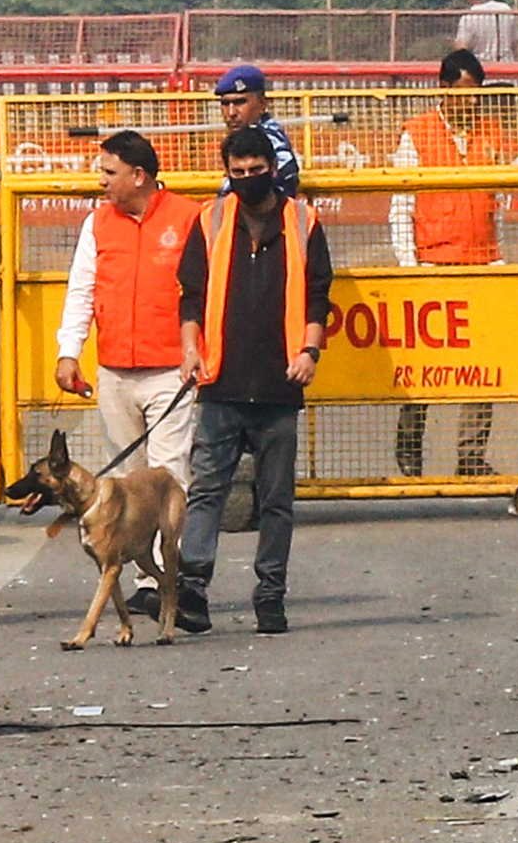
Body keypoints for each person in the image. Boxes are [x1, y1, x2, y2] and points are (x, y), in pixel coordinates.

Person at [174, 126, 333, 635]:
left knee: (276, 502)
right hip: (220, 383)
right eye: (237, 171)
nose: (246, 178)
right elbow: (191, 297)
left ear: (273, 169)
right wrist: (191, 351)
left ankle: (270, 596)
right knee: (206, 492)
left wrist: (309, 352)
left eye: (255, 170)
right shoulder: (211, 220)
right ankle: (192, 591)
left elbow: (318, 297)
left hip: (279, 384)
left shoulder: (303, 221)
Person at [54, 128, 200, 601]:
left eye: (109, 171)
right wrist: (69, 350)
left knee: (169, 474)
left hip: (171, 372)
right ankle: (145, 578)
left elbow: (206, 292)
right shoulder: (97, 224)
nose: (101, 180)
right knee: (129, 482)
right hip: (115, 371)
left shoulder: (188, 218)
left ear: (139, 176)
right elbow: (82, 291)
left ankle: (166, 580)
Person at [389, 47, 502, 478]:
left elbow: (497, 202)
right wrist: (410, 268)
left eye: (477, 94)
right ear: (444, 88)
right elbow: (401, 206)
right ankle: (409, 452)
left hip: (482, 265)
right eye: (464, 93)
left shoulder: (490, 132)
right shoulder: (417, 134)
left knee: (484, 367)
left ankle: (470, 457)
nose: (471, 102)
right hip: (432, 268)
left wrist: (498, 259)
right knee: (424, 369)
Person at [213, 64, 300, 201]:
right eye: (225, 104)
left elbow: (286, 179)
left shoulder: (269, 139)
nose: (231, 113)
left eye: (240, 102)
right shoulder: (242, 136)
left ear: (262, 103)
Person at [453, 0, 518, 65]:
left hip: (482, 68)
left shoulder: (468, 17)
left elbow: (462, 51)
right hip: (506, 67)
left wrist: (455, 44)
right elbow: (516, 44)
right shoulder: (506, 9)